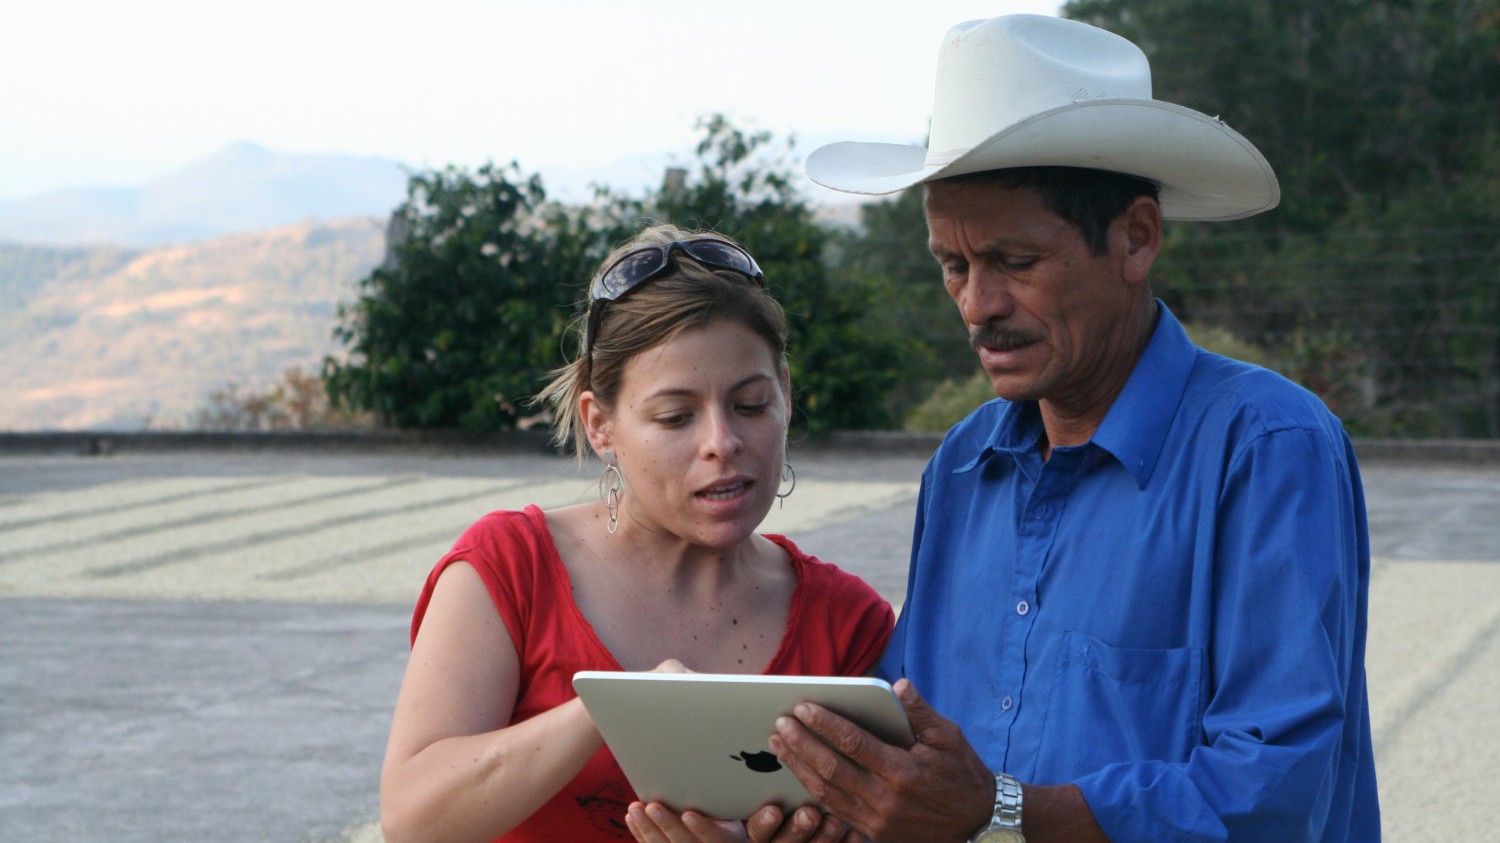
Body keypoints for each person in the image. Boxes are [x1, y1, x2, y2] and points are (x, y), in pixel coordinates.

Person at [627, 13, 1378, 843]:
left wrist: (1001, 810)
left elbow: (1274, 791)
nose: (977, 305)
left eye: (1015, 263)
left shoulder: (1268, 447)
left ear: (1136, 238)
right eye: (954, 265)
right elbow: (910, 745)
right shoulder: (963, 463)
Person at [379, 223, 895, 843]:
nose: (722, 443)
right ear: (600, 426)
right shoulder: (509, 570)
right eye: (675, 417)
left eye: (752, 405)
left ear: (785, 394)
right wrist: (620, 708)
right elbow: (413, 819)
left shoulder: (848, 623)